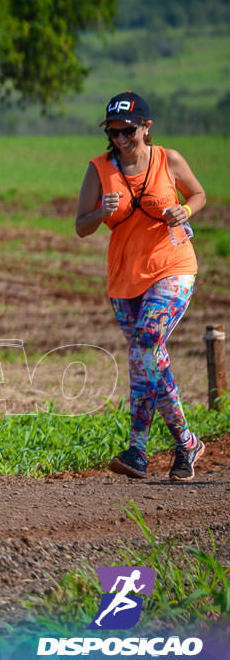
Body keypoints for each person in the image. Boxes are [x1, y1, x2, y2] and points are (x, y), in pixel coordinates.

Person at [75, 91, 206, 481]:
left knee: (147, 342)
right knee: (145, 357)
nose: (121, 139)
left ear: (146, 127)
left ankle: (138, 448)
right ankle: (184, 443)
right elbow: (81, 226)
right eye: (113, 132)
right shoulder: (99, 169)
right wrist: (102, 211)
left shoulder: (170, 160)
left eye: (128, 130)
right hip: (124, 279)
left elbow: (198, 194)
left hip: (173, 267)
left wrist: (185, 208)